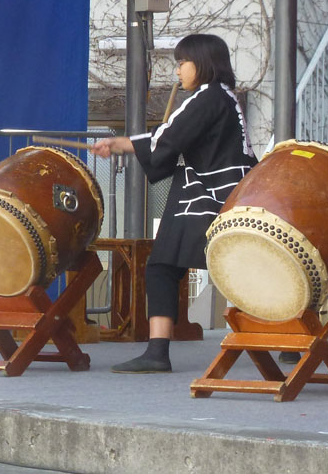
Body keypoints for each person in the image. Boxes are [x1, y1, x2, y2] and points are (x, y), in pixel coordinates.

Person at [92, 33, 258, 373]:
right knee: (231, 266)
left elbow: (167, 138)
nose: (178, 70)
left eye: (182, 63)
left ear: (202, 64)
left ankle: (157, 352)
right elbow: (166, 137)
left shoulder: (206, 98)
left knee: (165, 266)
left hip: (212, 195)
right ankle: (291, 335)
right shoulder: (223, 97)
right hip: (231, 191)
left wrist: (122, 145)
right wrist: (124, 144)